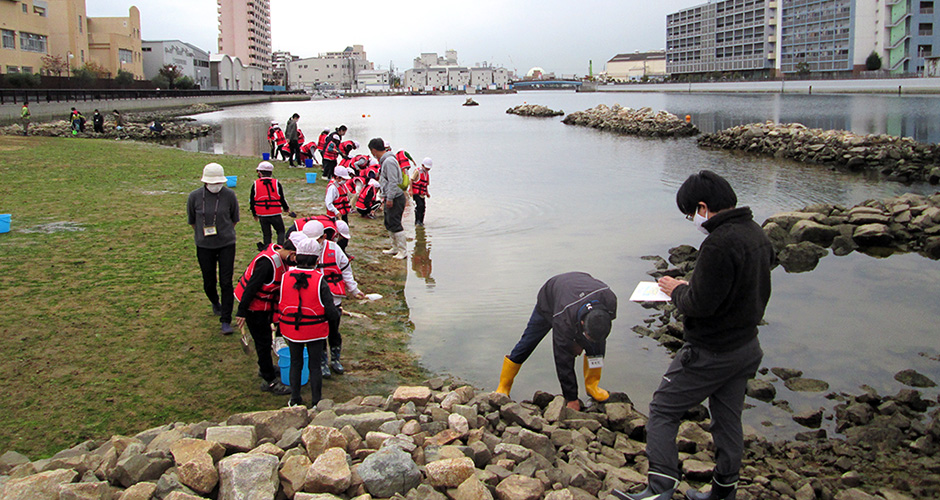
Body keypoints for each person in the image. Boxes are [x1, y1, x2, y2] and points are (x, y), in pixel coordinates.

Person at [615, 170, 774, 500]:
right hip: (746, 347)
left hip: (711, 350)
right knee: (727, 421)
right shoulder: (756, 233)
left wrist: (676, 291)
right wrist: (693, 287)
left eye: (690, 214)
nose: (692, 220)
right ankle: (723, 492)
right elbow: (738, 289)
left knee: (662, 409)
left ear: (703, 207)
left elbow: (698, 305)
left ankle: (660, 488)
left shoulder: (718, 243)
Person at [495, 272, 617, 411]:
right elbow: (562, 359)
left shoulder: (610, 301)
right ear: (582, 323)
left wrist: (582, 343)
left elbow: (596, 335)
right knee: (528, 342)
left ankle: (592, 386)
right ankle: (504, 385)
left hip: (579, 288)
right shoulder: (562, 319)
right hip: (550, 299)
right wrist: (571, 398)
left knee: (598, 345)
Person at [277, 234, 340, 408]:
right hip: (315, 330)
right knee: (314, 365)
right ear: (316, 258)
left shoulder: (285, 277)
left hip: (291, 329)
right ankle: (316, 402)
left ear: (297, 256)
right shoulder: (320, 280)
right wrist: (335, 314)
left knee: (295, 363)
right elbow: (330, 311)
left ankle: (295, 399)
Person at [302, 221, 366, 379]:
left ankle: (336, 359)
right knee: (319, 333)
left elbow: (346, 270)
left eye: (316, 240)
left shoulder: (334, 249)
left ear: (323, 237)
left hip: (333, 298)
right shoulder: (302, 248)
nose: (312, 244)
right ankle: (322, 362)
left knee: (333, 331)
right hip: (313, 299)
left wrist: (354, 289)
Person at [233, 239, 296, 396]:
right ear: (291, 253)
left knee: (266, 339)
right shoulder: (267, 264)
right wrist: (241, 311)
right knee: (263, 341)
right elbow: (252, 287)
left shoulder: (280, 257)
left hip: (263, 308)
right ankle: (269, 380)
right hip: (253, 308)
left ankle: (265, 367)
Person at [187, 163, 240, 335]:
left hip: (226, 244)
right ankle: (215, 302)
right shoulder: (194, 197)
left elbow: (234, 218)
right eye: (213, 183)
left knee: (226, 281)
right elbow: (192, 221)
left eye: (219, 183)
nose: (216, 186)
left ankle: (226, 319)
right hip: (204, 245)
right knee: (209, 281)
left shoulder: (230, 195)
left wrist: (224, 232)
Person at [370, 137, 407, 259]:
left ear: (374, 150)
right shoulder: (385, 161)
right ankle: (395, 247)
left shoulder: (389, 161)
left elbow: (393, 181)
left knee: (395, 223)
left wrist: (390, 198)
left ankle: (403, 250)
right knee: (389, 222)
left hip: (396, 197)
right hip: (389, 196)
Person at [250, 161, 291, 249]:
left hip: (262, 214)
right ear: (271, 173)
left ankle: (267, 249)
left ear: (260, 173)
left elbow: (252, 201)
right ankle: (280, 248)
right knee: (280, 231)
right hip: (275, 213)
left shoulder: (255, 184)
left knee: (266, 234)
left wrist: (254, 214)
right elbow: (281, 198)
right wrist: (286, 208)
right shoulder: (277, 183)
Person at [411, 157, 431, 226]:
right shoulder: (418, 171)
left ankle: (421, 222)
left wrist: (427, 193)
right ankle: (417, 221)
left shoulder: (427, 174)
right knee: (419, 205)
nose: (427, 169)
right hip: (416, 193)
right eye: (426, 167)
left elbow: (425, 185)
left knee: (423, 208)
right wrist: (410, 190)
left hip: (422, 194)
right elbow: (411, 180)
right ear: (422, 165)